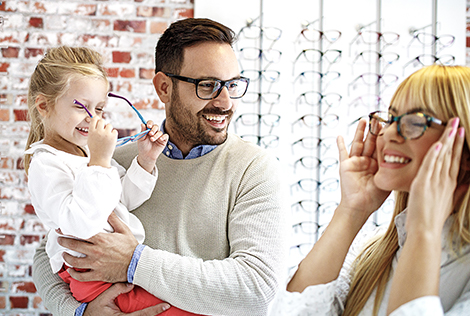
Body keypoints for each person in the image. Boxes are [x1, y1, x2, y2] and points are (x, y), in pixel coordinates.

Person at [32, 18, 287, 316]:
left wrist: (134, 261)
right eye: (208, 86)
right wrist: (79, 313)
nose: (225, 102)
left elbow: (256, 288)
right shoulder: (117, 161)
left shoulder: (254, 170)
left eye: (232, 85)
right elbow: (48, 251)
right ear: (164, 87)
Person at [269, 64, 470, 315]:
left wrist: (423, 230)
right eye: (391, 118)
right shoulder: (371, 250)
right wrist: (352, 210)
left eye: (415, 122)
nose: (389, 134)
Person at [25, 45, 205, 315]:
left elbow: (124, 201)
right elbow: (79, 224)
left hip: (115, 273)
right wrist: (98, 160)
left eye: (98, 108)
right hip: (94, 279)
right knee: (188, 309)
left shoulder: (88, 154)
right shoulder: (46, 164)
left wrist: (145, 160)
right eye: (81, 107)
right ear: (43, 106)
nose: (92, 119)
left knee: (188, 304)